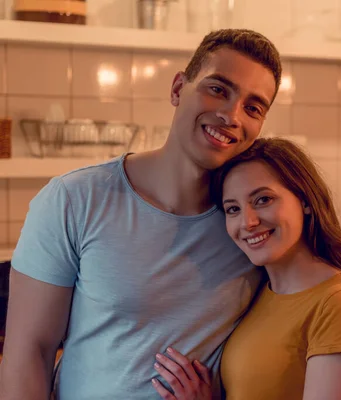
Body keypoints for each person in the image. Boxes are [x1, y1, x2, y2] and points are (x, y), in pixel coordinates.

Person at [0, 28, 282, 400]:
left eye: (253, 107)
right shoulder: (73, 199)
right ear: (178, 88)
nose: (231, 115)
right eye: (217, 89)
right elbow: (29, 351)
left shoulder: (250, 226)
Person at [152, 137, 341, 400]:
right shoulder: (260, 290)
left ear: (305, 200)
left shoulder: (339, 303)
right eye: (233, 209)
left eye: (263, 200)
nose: (248, 222)